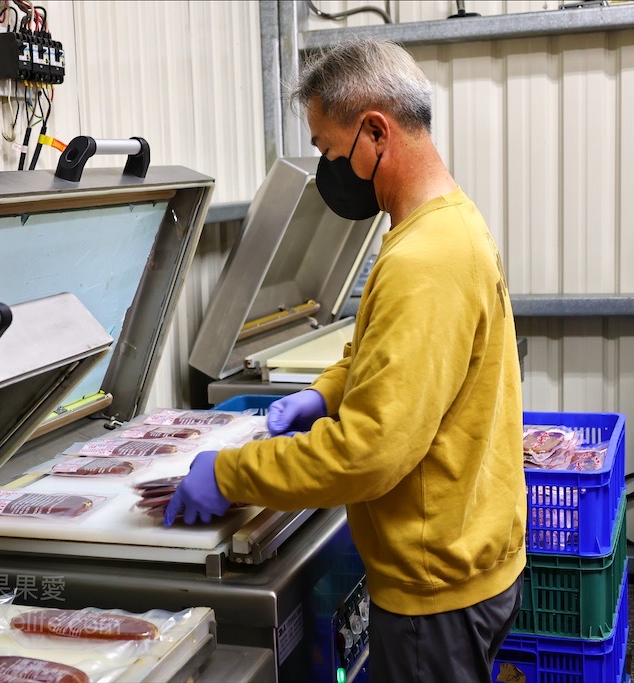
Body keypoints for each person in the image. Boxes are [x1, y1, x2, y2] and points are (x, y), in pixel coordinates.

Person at [164, 38, 526, 682]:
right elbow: (382, 355)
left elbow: (369, 453)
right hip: (469, 552)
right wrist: (326, 393)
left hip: (434, 589)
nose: (327, 169)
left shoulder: (424, 260)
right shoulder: (447, 223)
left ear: (376, 133)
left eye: (329, 152)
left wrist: (229, 473)